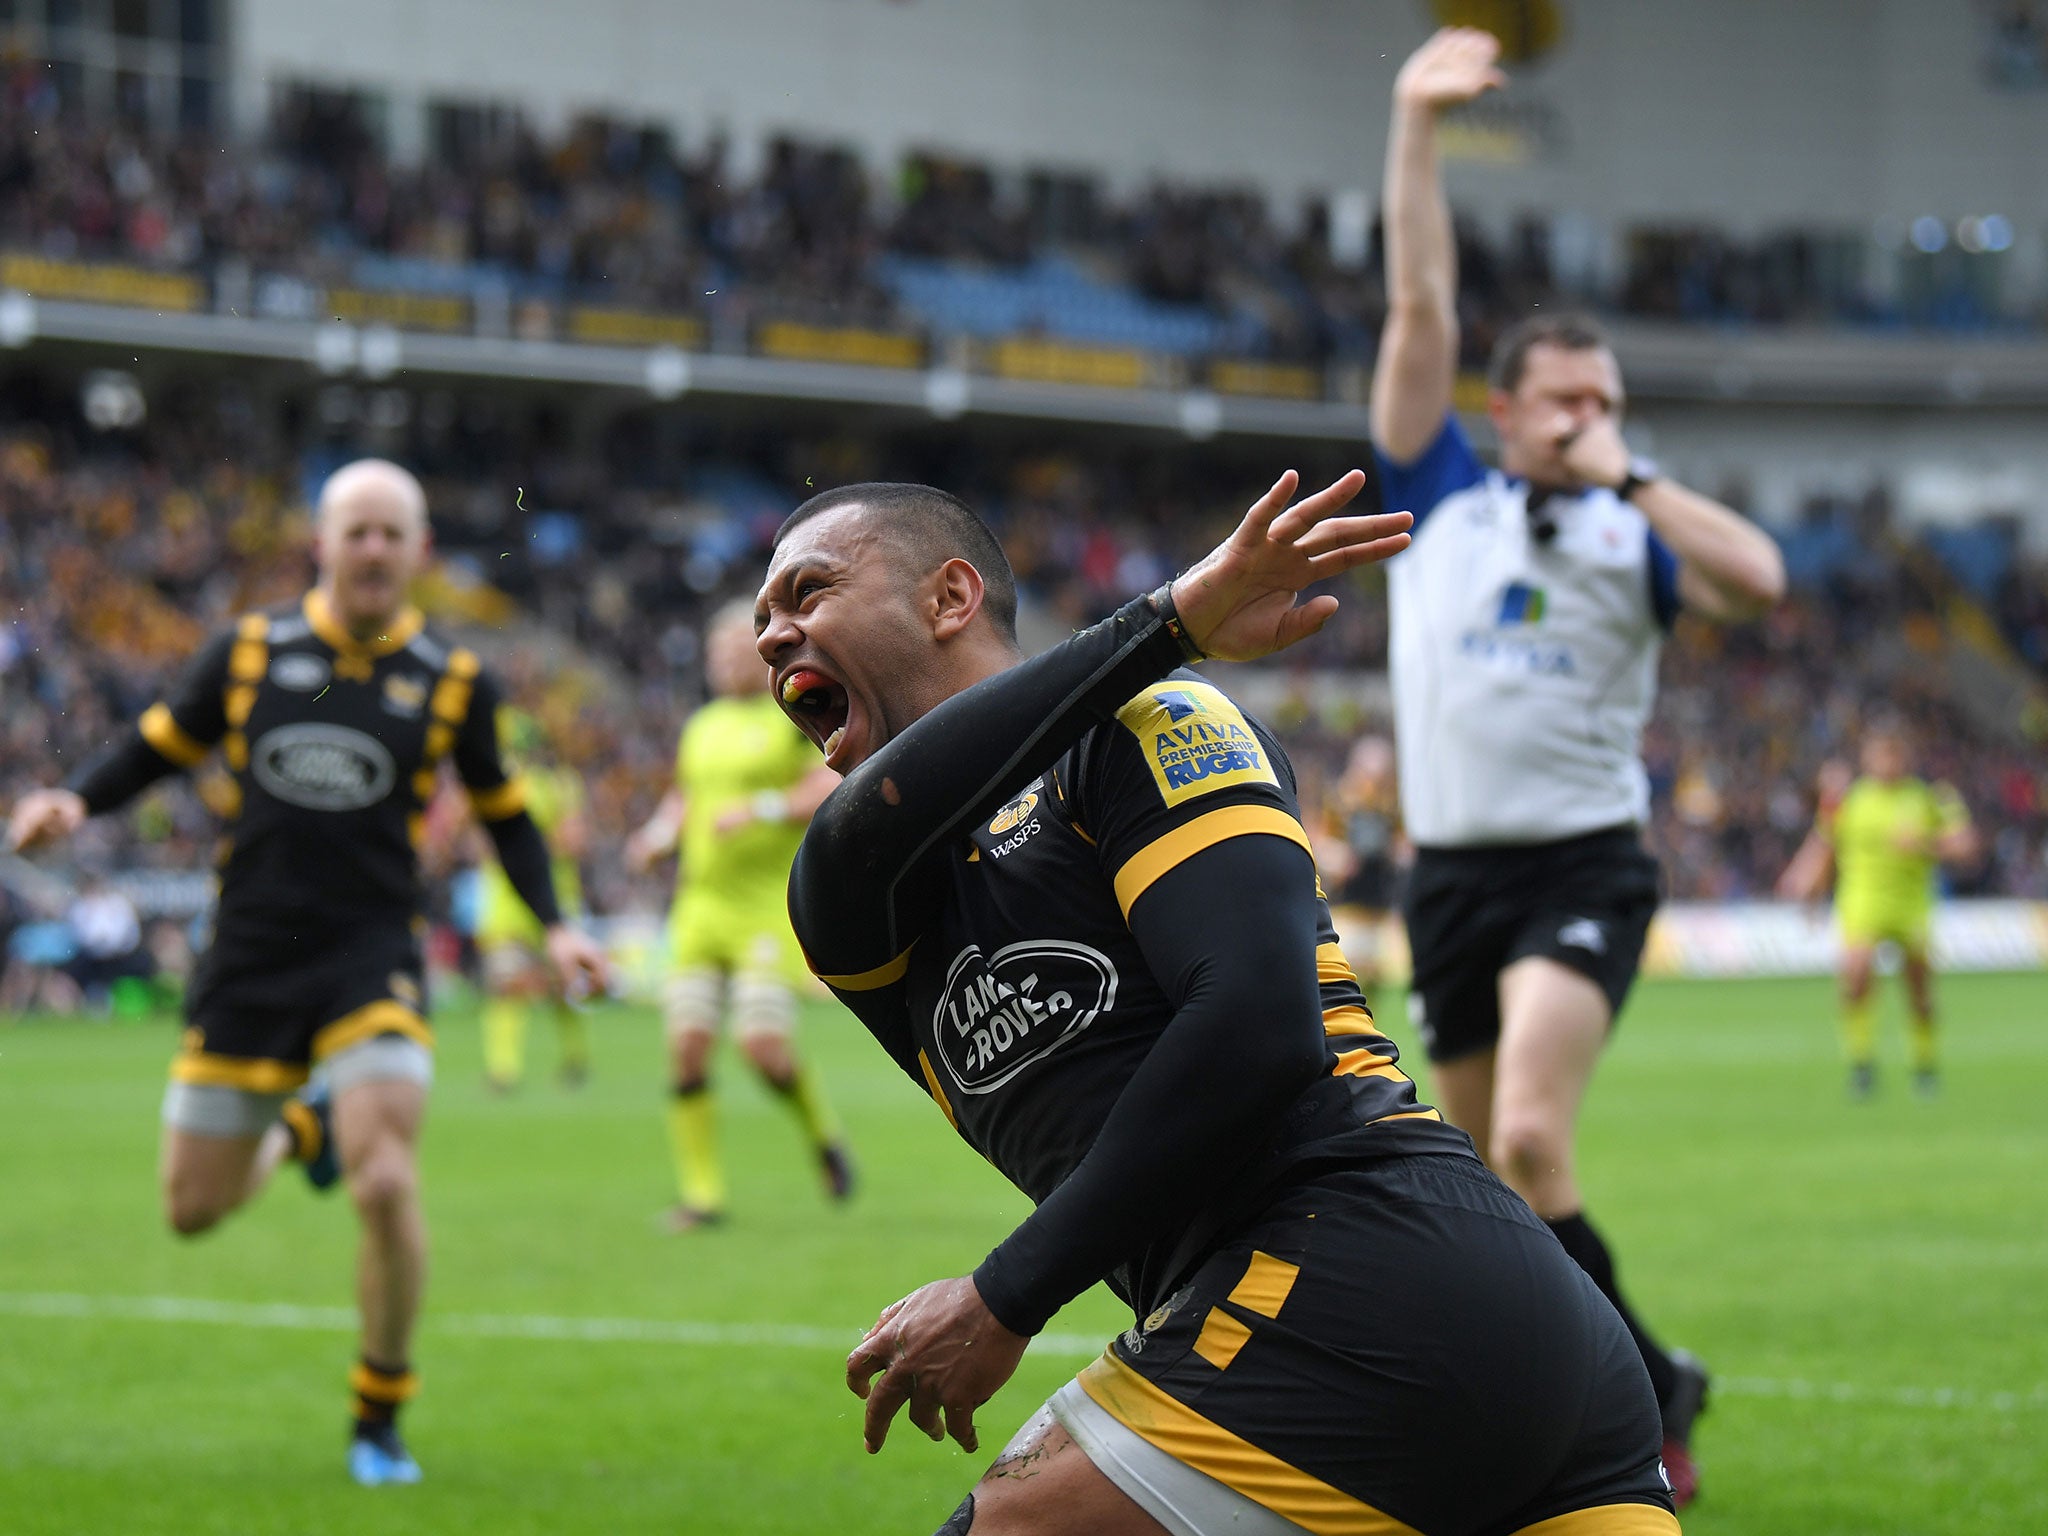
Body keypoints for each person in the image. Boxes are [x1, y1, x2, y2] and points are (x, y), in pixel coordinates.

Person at [758, 476, 1680, 1535]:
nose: (774, 636)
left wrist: (1003, 1294)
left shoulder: (1148, 726)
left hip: (1350, 1271)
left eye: (807, 591)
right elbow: (866, 829)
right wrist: (1167, 624)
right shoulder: (849, 899)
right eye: (761, 623)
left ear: (949, 596)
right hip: (1441, 1327)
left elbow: (1256, 1028)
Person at [1368, 27, 1788, 1508]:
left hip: (1583, 863)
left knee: (1535, 1137)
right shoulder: (1440, 494)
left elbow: (1764, 578)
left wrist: (1632, 474)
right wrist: (1415, 122)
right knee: (1480, 1194)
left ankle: (1636, 1400)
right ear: (1504, 411)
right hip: (1453, 880)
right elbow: (1421, 298)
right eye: (1564, 402)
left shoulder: (1638, 525)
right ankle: (1608, 1391)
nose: (1587, 419)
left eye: (1605, 399)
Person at [7, 459, 606, 1487]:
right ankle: (304, 1126)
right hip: (246, 956)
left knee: (383, 1177)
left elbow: (505, 814)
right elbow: (157, 745)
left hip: (371, 951)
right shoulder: (247, 652)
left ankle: (378, 1413)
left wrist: (555, 928)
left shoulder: (455, 679)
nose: (372, 549)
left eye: (391, 534)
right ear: (319, 547)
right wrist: (75, 801)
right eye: (355, 531)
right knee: (193, 1210)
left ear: (419, 554)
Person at [624, 600, 852, 1231]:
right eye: (714, 652)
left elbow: (827, 782)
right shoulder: (701, 726)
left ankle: (823, 1135)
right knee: (688, 1051)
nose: (722, 661)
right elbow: (683, 798)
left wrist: (763, 808)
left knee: (763, 1052)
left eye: (733, 650)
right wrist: (656, 835)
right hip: (698, 908)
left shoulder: (791, 716)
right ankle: (702, 1196)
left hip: (761, 909)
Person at [1777, 721, 1977, 1098]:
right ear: (1867, 758)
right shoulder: (1848, 800)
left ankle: (1924, 1064)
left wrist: (1926, 844)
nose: (1886, 761)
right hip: (1862, 901)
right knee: (1856, 973)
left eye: (1893, 752)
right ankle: (1862, 1063)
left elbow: (1966, 846)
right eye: (1878, 753)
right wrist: (1805, 883)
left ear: (1904, 756)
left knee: (1918, 987)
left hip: (1911, 904)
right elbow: (1824, 845)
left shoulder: (1931, 796)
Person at [473, 708, 595, 1092]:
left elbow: (574, 842)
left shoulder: (556, 784)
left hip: (550, 900)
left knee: (557, 987)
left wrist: (522, 849)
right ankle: (503, 1070)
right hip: (509, 901)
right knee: (505, 984)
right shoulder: (522, 785)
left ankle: (573, 1058)